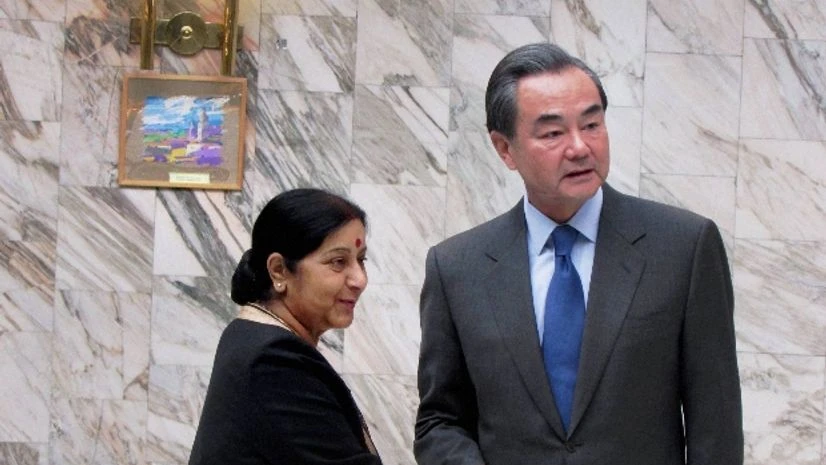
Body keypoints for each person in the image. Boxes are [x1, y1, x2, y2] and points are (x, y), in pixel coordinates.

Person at [414, 43, 743, 465]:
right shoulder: (457, 267)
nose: (579, 147)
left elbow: (715, 426)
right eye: (552, 133)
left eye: (591, 124)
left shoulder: (684, 247)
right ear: (504, 149)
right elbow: (440, 419)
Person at [189, 188, 382, 465]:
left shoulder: (252, 335)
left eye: (360, 260)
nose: (359, 279)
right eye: (338, 262)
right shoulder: (272, 361)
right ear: (279, 270)